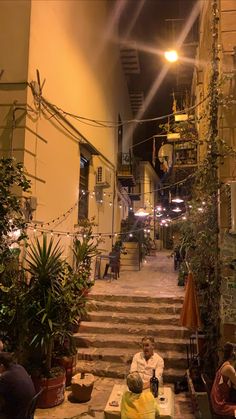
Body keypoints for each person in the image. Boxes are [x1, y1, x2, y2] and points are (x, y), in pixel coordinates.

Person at [0, 352, 36, 419]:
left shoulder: (6, 377)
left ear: (2, 366)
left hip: (18, 414)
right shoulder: (20, 367)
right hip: (27, 411)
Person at [211, 342, 236, 417]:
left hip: (218, 403)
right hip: (221, 405)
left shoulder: (225, 364)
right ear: (233, 354)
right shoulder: (228, 368)